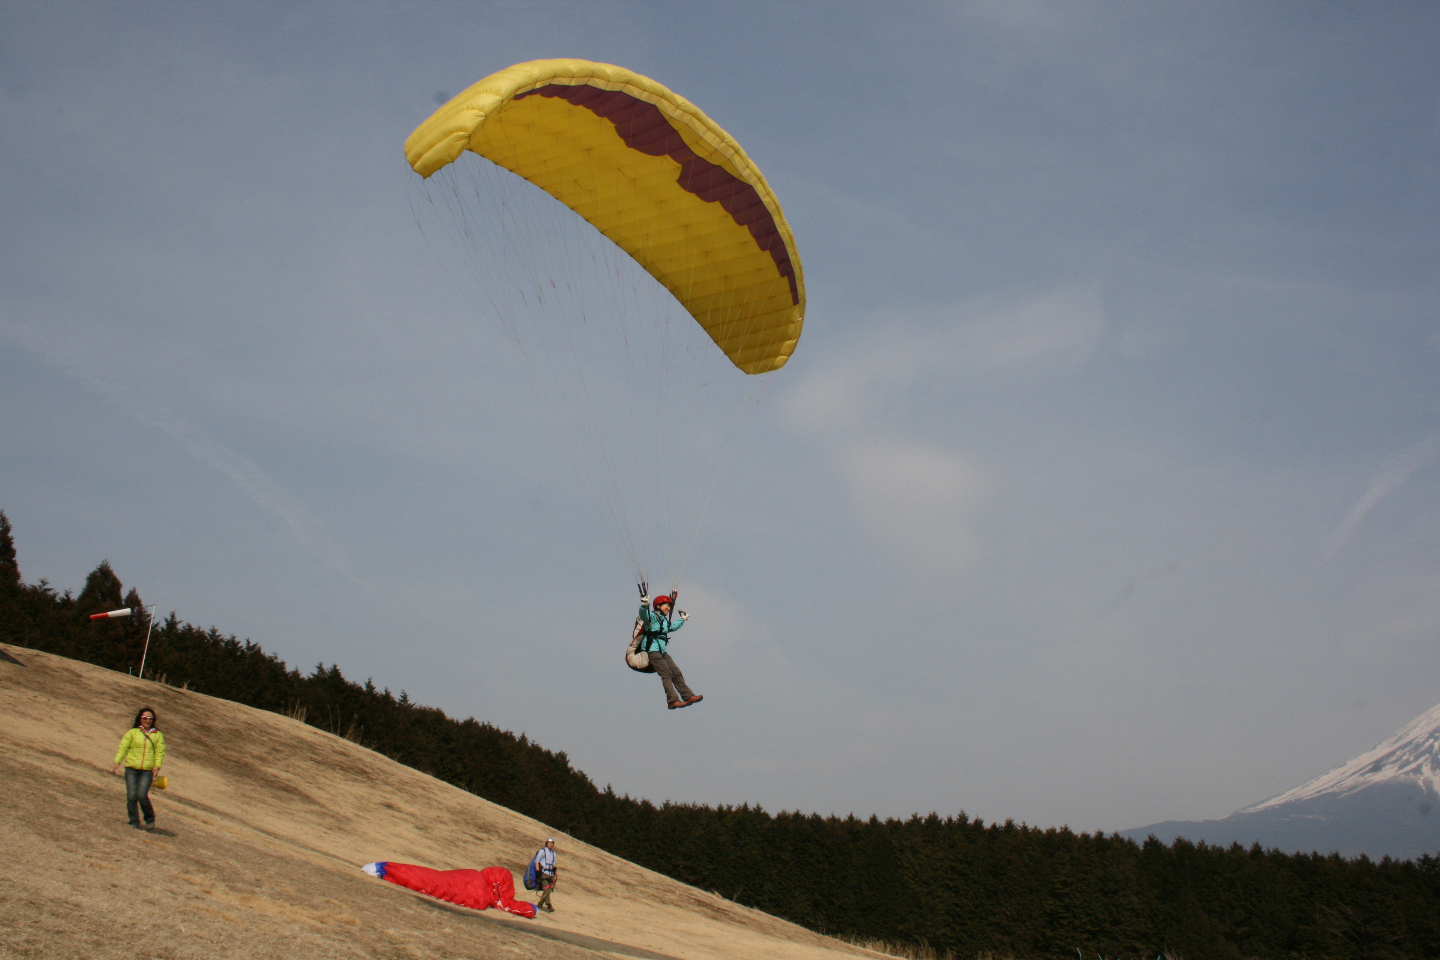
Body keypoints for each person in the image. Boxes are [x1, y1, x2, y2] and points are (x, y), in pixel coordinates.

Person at [360, 861, 537, 918]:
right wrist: (531, 908)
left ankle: (387, 869)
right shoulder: (489, 893)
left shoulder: (477, 875)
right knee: (435, 885)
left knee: (434, 879)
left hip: (465, 878)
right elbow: (505, 903)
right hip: (468, 887)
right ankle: (386, 871)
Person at [638, 593, 702, 710]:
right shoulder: (652, 616)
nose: (669, 607)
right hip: (652, 650)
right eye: (666, 605)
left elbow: (671, 627)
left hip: (662, 651)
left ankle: (688, 696)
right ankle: (672, 700)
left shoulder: (663, 620)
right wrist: (644, 605)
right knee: (666, 674)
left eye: (669, 605)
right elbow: (643, 615)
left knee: (676, 672)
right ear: (658, 606)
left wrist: (681, 620)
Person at [111, 706, 165, 830]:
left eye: (150, 718)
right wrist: (117, 762)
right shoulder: (133, 733)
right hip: (131, 769)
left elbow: (160, 751)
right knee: (131, 796)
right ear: (140, 719)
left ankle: (150, 819)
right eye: (145, 718)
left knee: (141, 795)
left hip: (147, 770)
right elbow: (123, 747)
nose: (147, 720)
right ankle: (134, 821)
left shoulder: (158, 735)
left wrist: (157, 766)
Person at [531, 838, 557, 912]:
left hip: (551, 874)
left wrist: (554, 872)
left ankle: (539, 904)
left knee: (548, 890)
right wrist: (537, 870)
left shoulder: (554, 853)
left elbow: (554, 864)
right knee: (546, 889)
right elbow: (537, 861)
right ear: (546, 843)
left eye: (552, 843)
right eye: (549, 843)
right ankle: (549, 905)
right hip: (543, 874)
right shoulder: (542, 851)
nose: (551, 844)